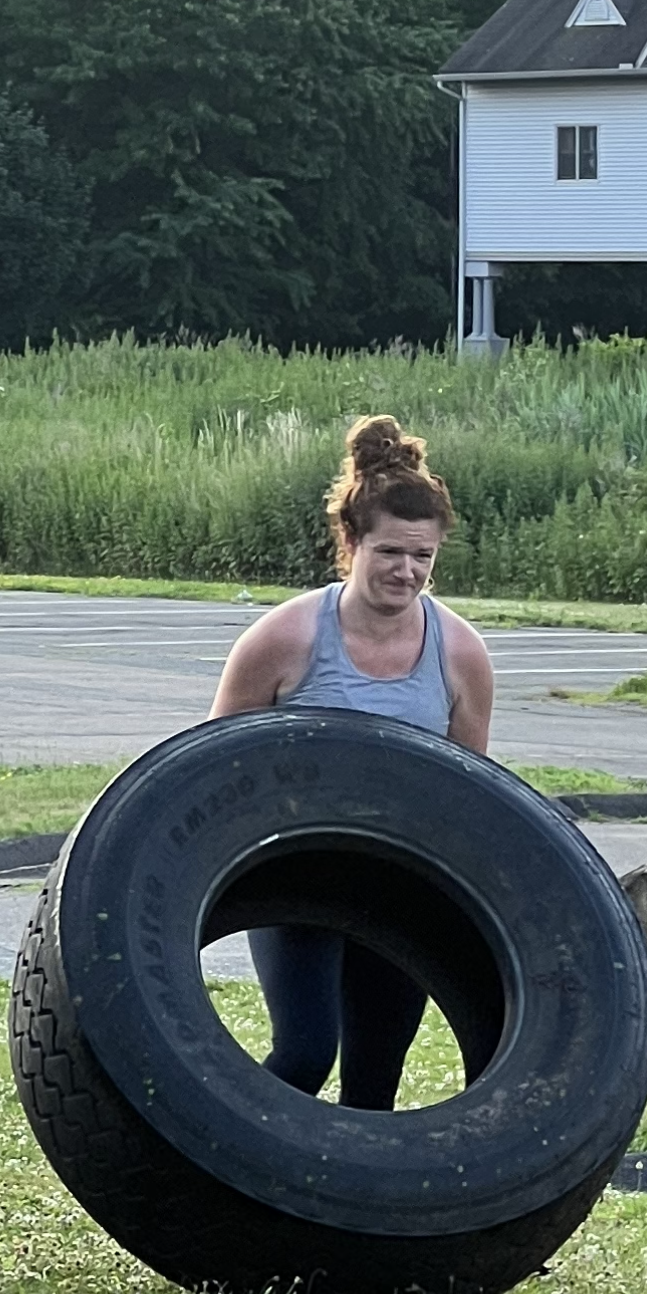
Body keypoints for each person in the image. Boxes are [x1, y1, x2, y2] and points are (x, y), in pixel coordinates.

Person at [208, 413, 494, 1107]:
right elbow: (209, 772)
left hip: (397, 885)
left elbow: (471, 793)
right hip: (295, 874)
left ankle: (343, 1215)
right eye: (390, 552)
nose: (407, 571)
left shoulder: (460, 654)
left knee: (375, 1078)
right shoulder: (284, 638)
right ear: (350, 540)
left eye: (422, 557)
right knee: (306, 1052)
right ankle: (230, 1172)